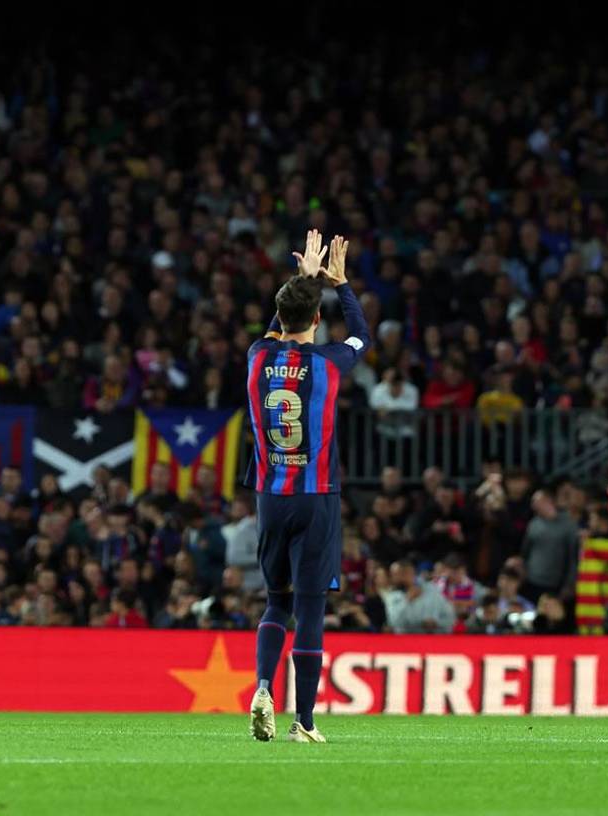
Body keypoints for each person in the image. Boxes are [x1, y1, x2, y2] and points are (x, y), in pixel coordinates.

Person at [243, 231, 370, 744]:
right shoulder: (330, 363)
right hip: (316, 498)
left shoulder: (257, 356)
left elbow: (282, 322)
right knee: (312, 606)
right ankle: (305, 722)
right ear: (318, 321)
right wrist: (339, 285)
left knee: (276, 601)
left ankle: (261, 687)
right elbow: (362, 334)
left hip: (271, 496)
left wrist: (303, 280)